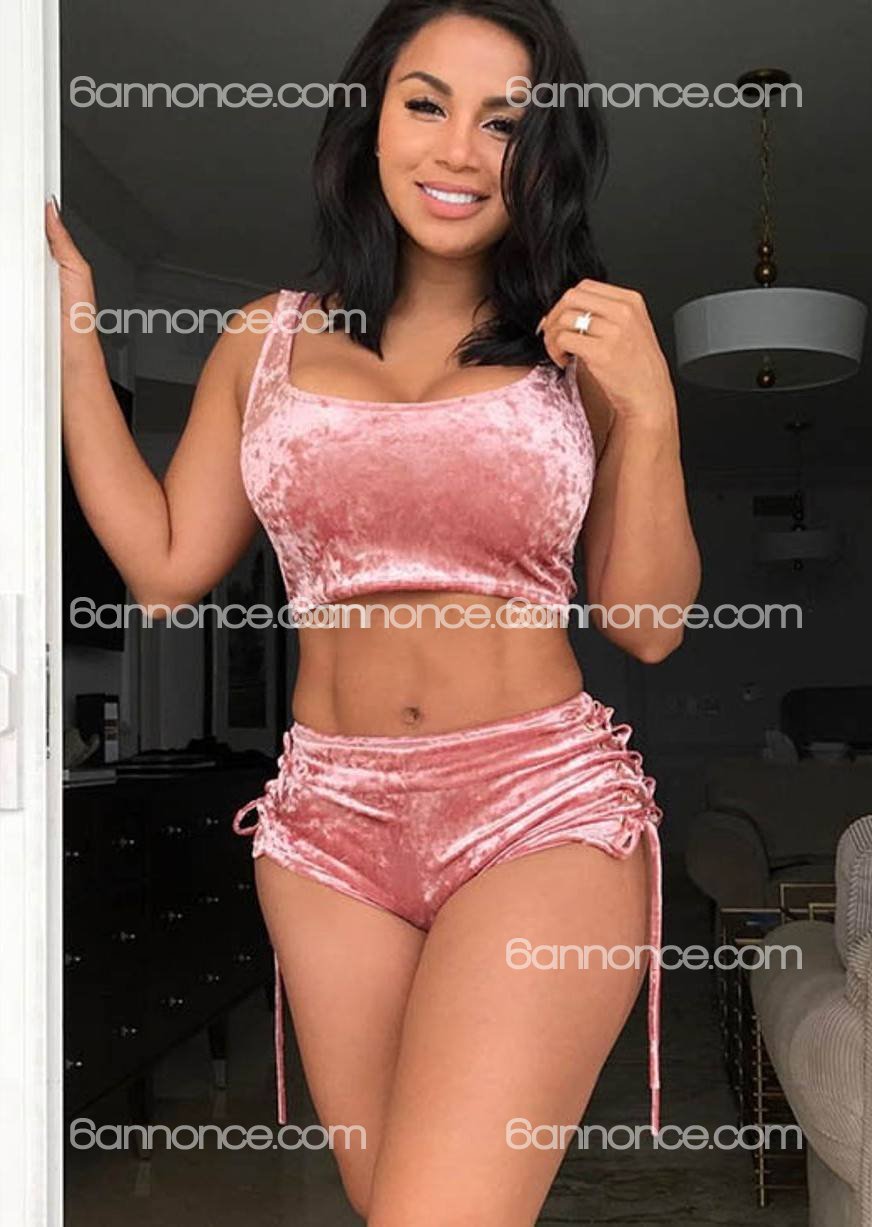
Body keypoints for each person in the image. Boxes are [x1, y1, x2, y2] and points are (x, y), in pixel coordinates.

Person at [46, 0, 701, 1221]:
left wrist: (650, 407)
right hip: (325, 831)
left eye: (503, 121)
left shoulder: (581, 345)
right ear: (370, 121)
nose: (457, 150)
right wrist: (72, 334)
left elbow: (648, 622)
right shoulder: (264, 340)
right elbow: (167, 567)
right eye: (425, 104)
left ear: (546, 151)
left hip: (536, 808)